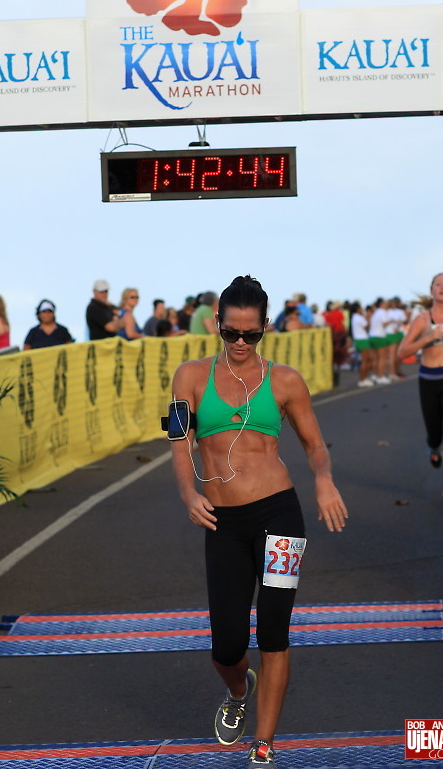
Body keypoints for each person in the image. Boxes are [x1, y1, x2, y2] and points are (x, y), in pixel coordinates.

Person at [170, 275, 348, 769]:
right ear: (216, 326)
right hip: (221, 520)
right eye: (233, 334)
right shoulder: (189, 377)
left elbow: (315, 446)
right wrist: (188, 493)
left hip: (279, 514)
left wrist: (324, 479)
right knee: (226, 646)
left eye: (252, 334)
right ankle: (237, 690)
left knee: (274, 630)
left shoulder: (286, 381)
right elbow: (180, 445)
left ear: (266, 327)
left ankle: (263, 745)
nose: (242, 343)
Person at [397, 273, 443, 507]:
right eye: (439, 284)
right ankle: (433, 447)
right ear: (432, 290)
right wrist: (429, 337)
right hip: (428, 380)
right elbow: (402, 352)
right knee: (435, 433)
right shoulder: (423, 319)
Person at [350, 302, 374, 387]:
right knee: (365, 360)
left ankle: (364, 378)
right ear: (357, 309)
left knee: (366, 360)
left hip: (359, 339)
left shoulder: (354, 317)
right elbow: (367, 326)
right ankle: (363, 379)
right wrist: (369, 318)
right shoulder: (358, 317)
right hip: (362, 339)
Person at [369, 298, 391, 384]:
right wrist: (391, 321)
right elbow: (384, 324)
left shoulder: (376, 312)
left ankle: (374, 375)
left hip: (372, 336)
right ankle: (381, 376)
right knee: (382, 358)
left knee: (375, 359)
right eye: (385, 303)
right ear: (382, 304)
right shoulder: (382, 312)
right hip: (380, 337)